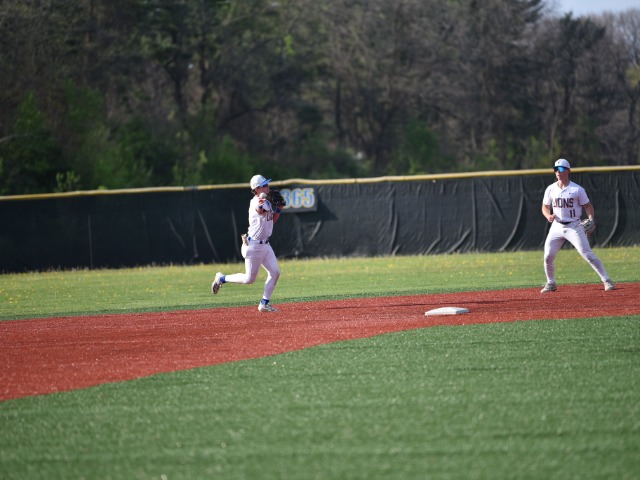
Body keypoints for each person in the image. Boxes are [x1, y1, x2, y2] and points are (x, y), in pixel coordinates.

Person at [540, 159, 614, 293]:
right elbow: (545, 206)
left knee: (587, 254)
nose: (558, 172)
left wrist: (591, 219)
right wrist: (548, 215)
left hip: (574, 225)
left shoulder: (577, 189)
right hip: (557, 226)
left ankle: (607, 280)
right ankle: (551, 283)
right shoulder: (550, 188)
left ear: (568, 171)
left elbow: (588, 206)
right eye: (556, 169)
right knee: (548, 256)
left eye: (561, 169)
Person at [211, 174, 283, 312]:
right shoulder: (256, 202)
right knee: (249, 279)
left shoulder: (267, 202)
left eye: (267, 184)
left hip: (266, 245)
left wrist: (279, 208)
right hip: (254, 246)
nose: (268, 187)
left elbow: (271, 221)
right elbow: (259, 210)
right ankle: (221, 278)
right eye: (264, 185)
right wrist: (261, 202)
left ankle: (264, 304)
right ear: (257, 189)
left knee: (275, 272)